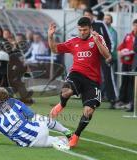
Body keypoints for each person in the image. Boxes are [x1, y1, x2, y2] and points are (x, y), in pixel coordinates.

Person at [48, 17, 112, 148]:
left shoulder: (97, 38)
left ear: (90, 29)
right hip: (76, 74)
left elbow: (107, 56)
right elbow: (54, 49)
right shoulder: (73, 41)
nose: (82, 32)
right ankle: (61, 104)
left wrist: (97, 42)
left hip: (92, 81)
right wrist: (50, 36)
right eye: (80, 30)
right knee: (66, 92)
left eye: (85, 30)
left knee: (88, 111)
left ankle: (76, 136)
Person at [0, 87, 72, 149]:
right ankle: (65, 131)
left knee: (57, 141)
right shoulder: (13, 102)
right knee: (37, 117)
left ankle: (62, 141)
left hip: (31, 144)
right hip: (40, 131)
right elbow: (30, 114)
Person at [84, 8, 118, 108]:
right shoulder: (84, 26)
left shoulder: (100, 24)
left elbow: (110, 39)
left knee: (108, 77)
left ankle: (113, 100)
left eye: (88, 15)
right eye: (85, 16)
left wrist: (109, 54)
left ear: (92, 15)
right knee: (91, 78)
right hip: (92, 56)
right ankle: (92, 99)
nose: (87, 17)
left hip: (104, 55)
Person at [115, 19, 137, 112]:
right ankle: (122, 100)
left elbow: (134, 49)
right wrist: (121, 53)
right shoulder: (128, 36)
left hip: (134, 63)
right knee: (124, 81)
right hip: (125, 62)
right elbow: (120, 47)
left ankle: (130, 102)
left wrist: (130, 53)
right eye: (135, 25)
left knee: (132, 83)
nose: (135, 27)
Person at [104, 14, 118, 88]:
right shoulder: (102, 30)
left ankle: (113, 95)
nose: (106, 21)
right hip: (105, 57)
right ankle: (104, 94)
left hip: (111, 57)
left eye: (108, 19)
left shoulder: (113, 31)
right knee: (105, 76)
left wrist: (108, 56)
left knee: (112, 77)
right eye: (105, 19)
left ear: (111, 21)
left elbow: (113, 45)